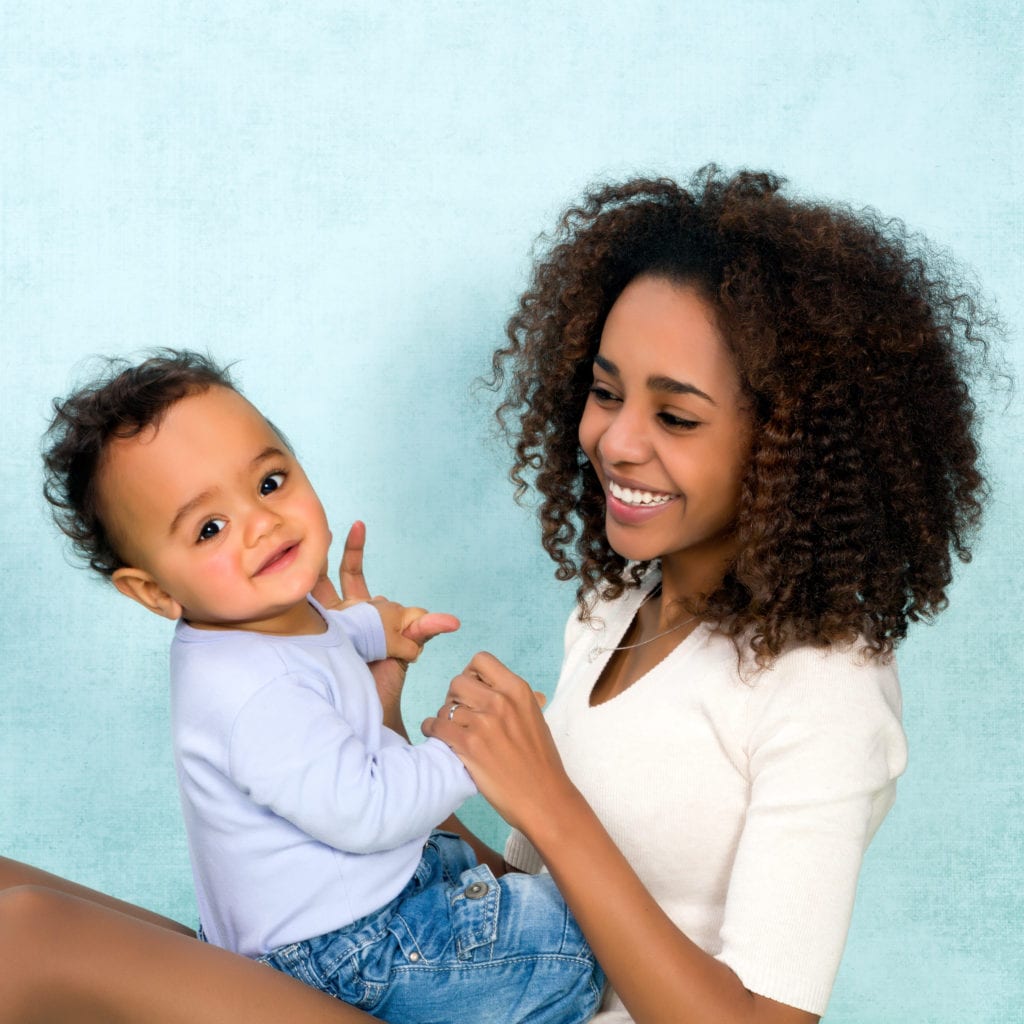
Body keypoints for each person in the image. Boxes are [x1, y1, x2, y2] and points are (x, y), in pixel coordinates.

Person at [0, 164, 991, 1024]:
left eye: (674, 414)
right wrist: (380, 724)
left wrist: (547, 798)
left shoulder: (822, 693)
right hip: (476, 989)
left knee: (26, 940)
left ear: (793, 441)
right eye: (604, 393)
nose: (614, 441)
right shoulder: (618, 605)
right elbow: (503, 915)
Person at [24, 351, 603, 1024]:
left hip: (363, 896)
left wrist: (376, 629)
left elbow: (321, 636)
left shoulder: (249, 619)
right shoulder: (255, 700)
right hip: (344, 951)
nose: (262, 522)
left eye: (270, 481)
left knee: (504, 890)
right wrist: (467, 752)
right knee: (575, 947)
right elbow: (367, 811)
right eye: (210, 528)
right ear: (153, 591)